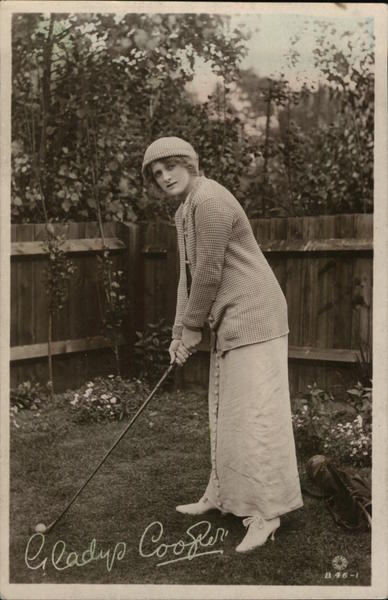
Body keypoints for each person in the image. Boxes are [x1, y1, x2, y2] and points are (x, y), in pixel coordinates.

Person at [142, 136, 303, 553]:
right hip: (230, 319)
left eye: (171, 167)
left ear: (190, 164)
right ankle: (222, 495)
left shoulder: (210, 202)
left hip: (256, 317)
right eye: (157, 174)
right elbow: (188, 278)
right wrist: (180, 333)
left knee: (256, 418)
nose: (165, 177)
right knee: (226, 412)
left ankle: (267, 514)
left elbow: (210, 274)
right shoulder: (184, 210)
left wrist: (194, 327)